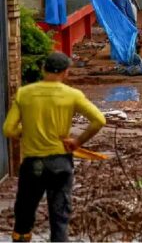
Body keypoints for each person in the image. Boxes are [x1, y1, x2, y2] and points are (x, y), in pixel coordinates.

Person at [3, 52, 106, 242]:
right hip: (60, 162)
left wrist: (25, 132)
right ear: (66, 72)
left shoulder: (24, 94)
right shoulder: (72, 95)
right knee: (60, 216)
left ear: (43, 69)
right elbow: (99, 120)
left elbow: (9, 129)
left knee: (24, 213)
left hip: (33, 164)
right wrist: (77, 142)